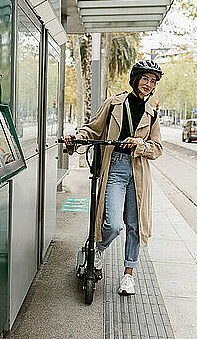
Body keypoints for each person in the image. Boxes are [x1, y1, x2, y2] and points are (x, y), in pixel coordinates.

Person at [62, 60, 163, 295]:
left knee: (135, 226)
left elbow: (157, 148)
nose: (148, 84)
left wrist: (140, 144)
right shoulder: (114, 103)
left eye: (153, 81)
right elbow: (93, 129)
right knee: (113, 224)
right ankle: (98, 248)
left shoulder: (153, 113)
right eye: (145, 78)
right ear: (136, 78)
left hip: (138, 173)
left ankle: (128, 275)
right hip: (115, 167)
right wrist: (76, 137)